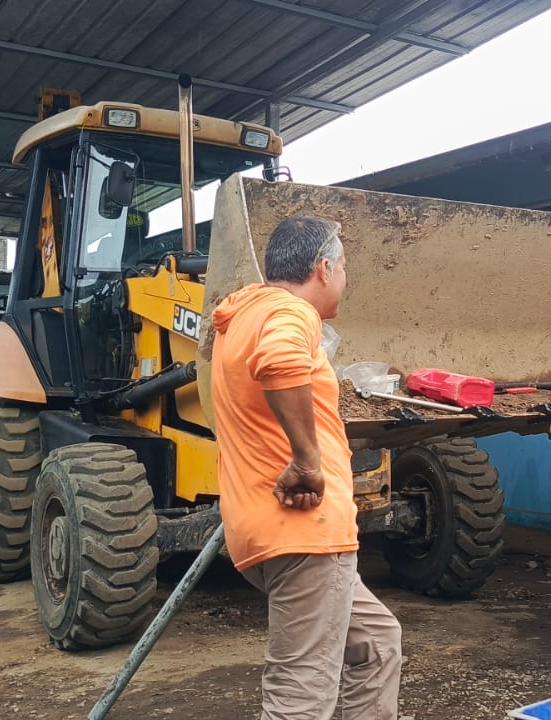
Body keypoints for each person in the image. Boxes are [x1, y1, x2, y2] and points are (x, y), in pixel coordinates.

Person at [210, 215, 402, 720]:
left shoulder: (246, 314)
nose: (345, 279)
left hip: (269, 531)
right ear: (323, 269)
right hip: (304, 532)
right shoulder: (290, 312)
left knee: (377, 643)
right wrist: (306, 461)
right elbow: (280, 361)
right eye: (344, 267)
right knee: (300, 698)